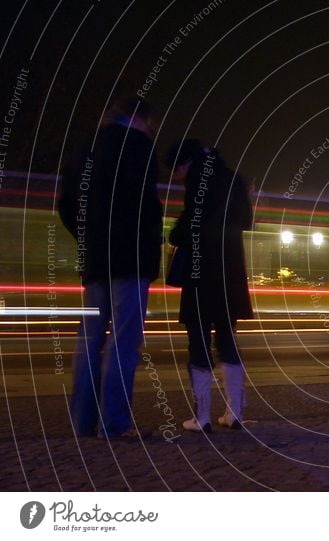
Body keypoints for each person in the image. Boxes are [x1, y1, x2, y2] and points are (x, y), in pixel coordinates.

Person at [59, 96, 162, 439]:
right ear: (141, 120)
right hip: (130, 259)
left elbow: (66, 205)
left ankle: (81, 421)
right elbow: (146, 204)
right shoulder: (139, 147)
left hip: (95, 260)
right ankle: (113, 424)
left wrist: (89, 236)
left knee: (88, 340)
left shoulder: (83, 148)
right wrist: (150, 242)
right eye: (151, 124)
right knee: (124, 341)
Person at [166, 140, 253, 432]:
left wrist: (177, 231)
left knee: (198, 341)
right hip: (230, 274)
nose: (175, 176)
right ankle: (235, 413)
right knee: (228, 338)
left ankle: (201, 417)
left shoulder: (198, 183)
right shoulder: (234, 178)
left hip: (201, 273)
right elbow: (246, 221)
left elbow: (186, 231)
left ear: (187, 162)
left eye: (176, 169)